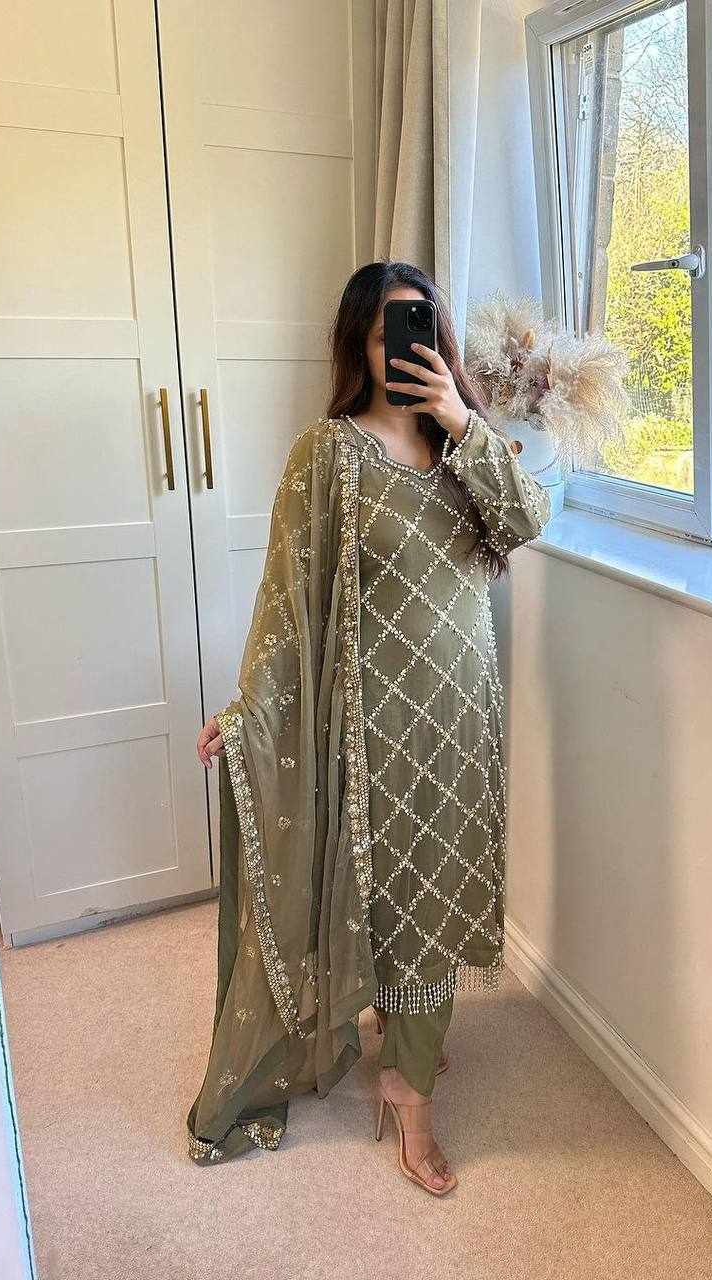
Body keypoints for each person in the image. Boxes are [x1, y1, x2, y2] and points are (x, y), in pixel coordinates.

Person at [185, 260, 551, 1195]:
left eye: (424, 327)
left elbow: (526, 522)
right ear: (361, 343)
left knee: (439, 892)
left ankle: (408, 1063)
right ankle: (408, 1088)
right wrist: (251, 710)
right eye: (391, 331)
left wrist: (463, 422)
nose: (409, 348)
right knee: (394, 898)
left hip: (462, 720)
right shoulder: (329, 455)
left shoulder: (469, 448)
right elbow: (286, 600)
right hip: (373, 731)